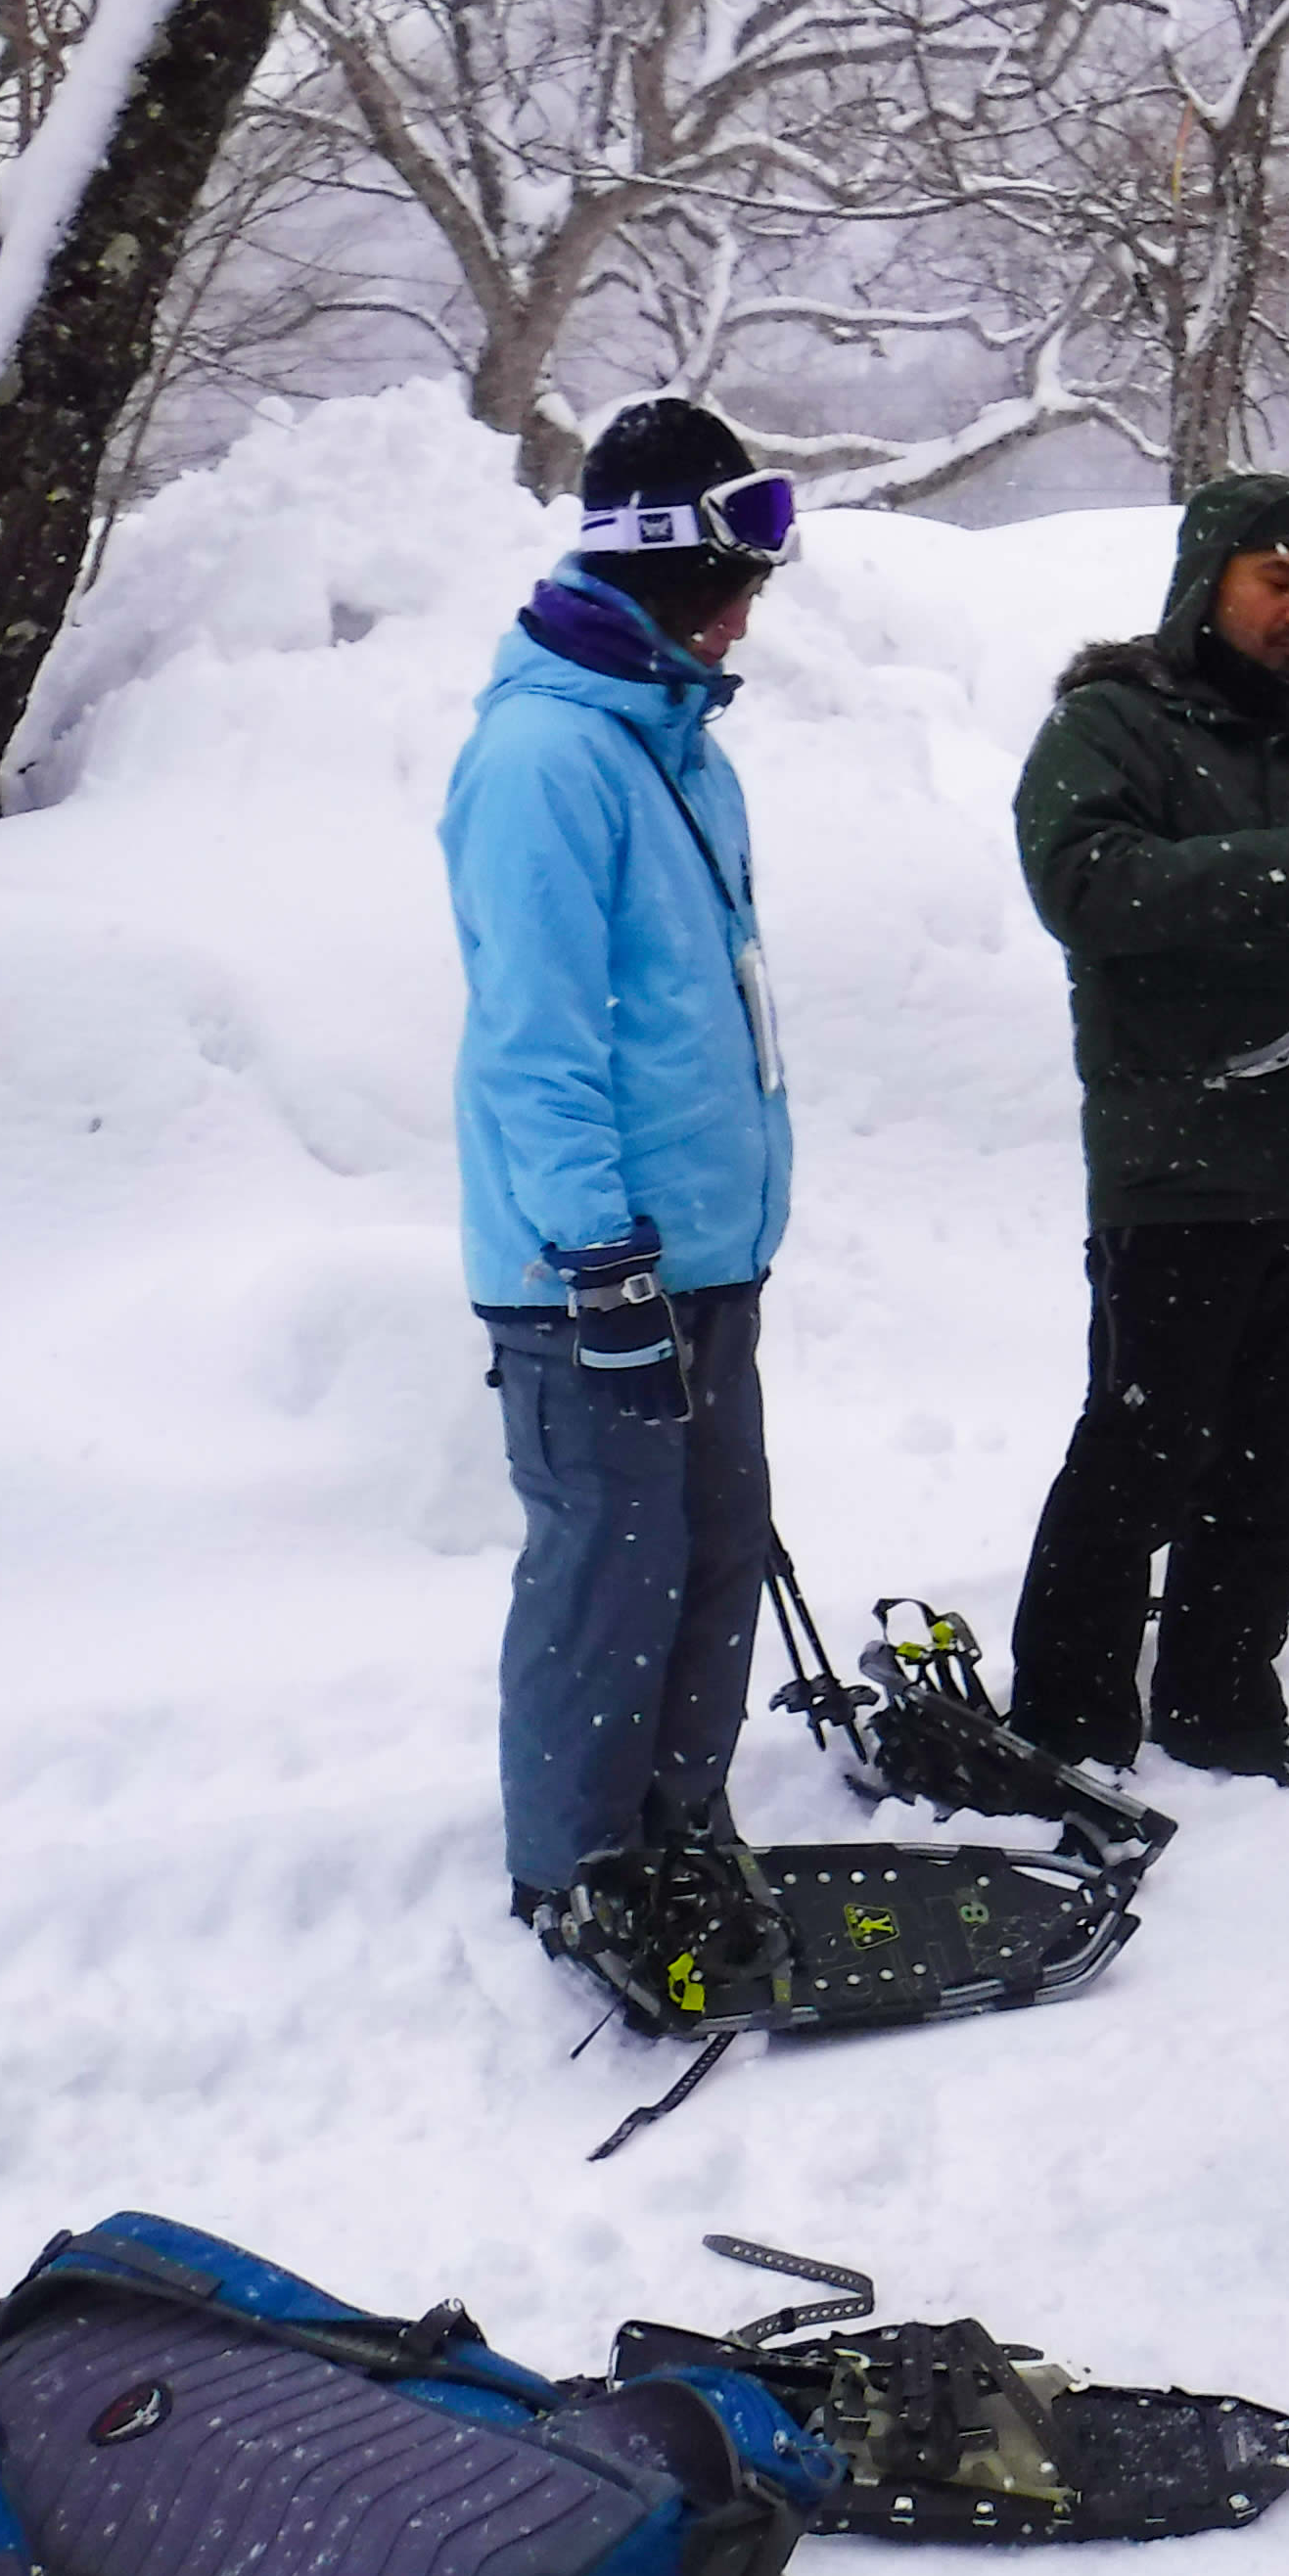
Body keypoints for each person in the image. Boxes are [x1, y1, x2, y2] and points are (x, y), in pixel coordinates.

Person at [1005, 473, 1289, 1784]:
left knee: (1273, 1465)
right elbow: (1085, 885)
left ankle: (1220, 1700)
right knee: (1139, 1457)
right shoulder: (1109, 725)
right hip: (1177, 1166)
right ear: (1208, 583)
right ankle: (1065, 1720)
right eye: (1277, 581)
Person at [443, 397, 798, 1916]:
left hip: (706, 1257)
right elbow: (538, 1041)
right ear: (660, 560)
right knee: (608, 1582)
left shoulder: (677, 745)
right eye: (731, 582)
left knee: (712, 1565)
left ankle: (678, 1833)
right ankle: (580, 1877)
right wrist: (601, 1259)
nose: (746, 618)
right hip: (593, 1274)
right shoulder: (545, 759)